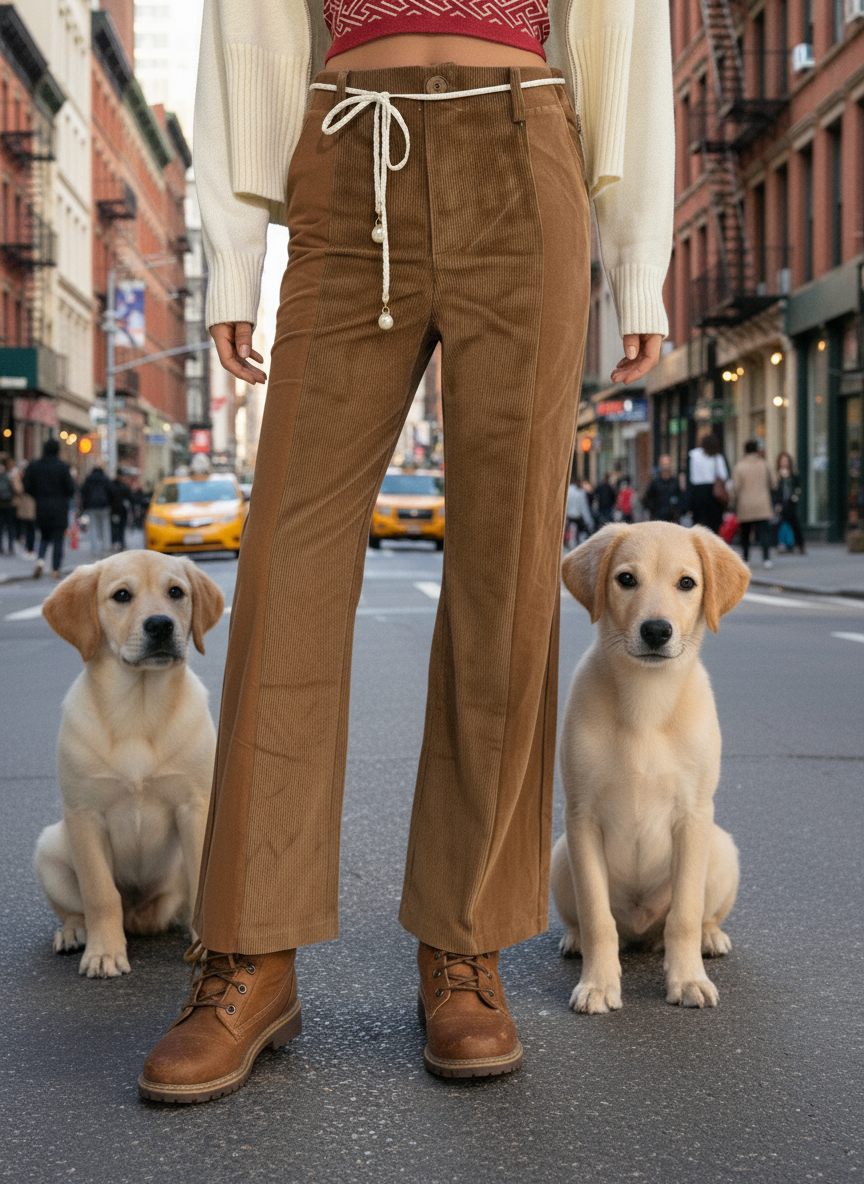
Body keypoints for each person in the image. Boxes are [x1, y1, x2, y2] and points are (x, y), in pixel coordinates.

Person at [138, 0, 675, 1103]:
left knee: (506, 574)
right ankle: (248, 948)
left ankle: (464, 945)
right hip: (349, 149)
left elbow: (621, 20)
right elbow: (248, 22)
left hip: (525, 147)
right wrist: (233, 255)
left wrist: (636, 252)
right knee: (286, 558)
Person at [23, 438, 76, 579]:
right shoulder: (63, 467)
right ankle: (55, 569)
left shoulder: (35, 466)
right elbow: (71, 488)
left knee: (44, 536)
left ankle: (40, 560)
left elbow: (26, 486)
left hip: (41, 506)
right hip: (59, 507)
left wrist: (38, 495)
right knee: (59, 538)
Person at [732, 440, 777, 568]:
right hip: (763, 503)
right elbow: (774, 483)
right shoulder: (765, 465)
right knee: (764, 532)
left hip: (745, 504)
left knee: (745, 534)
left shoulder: (740, 466)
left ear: (745, 451)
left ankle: (746, 559)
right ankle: (767, 559)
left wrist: (732, 501)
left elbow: (735, 487)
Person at [688, 433, 728, 534]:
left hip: (697, 492)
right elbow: (723, 476)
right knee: (713, 525)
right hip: (713, 494)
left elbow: (689, 475)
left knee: (699, 524)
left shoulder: (693, 455)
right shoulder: (717, 457)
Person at [78, 466, 114, 553]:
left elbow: (83, 493)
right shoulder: (105, 479)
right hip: (104, 505)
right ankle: (106, 546)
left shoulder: (88, 479)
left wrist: (84, 506)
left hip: (91, 506)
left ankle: (94, 548)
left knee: (93, 527)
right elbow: (111, 491)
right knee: (105, 526)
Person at [776, 451, 805, 554]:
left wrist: (796, 496)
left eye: (786, 461)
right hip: (781, 503)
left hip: (791, 502)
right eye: (782, 461)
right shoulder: (777, 476)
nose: (784, 463)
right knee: (781, 523)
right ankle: (782, 544)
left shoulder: (793, 475)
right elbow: (776, 490)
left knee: (794, 523)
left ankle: (800, 544)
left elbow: (798, 488)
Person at [643, 454, 684, 523]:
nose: (665, 467)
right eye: (664, 464)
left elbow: (681, 498)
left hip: (672, 520)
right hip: (657, 518)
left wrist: (678, 510)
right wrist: (653, 509)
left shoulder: (675, 482)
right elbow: (647, 499)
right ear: (660, 465)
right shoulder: (654, 482)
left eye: (667, 464)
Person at [564, 477, 593, 547]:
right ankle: (576, 541)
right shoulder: (581, 492)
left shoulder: (570, 490)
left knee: (567, 528)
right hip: (576, 514)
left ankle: (566, 541)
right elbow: (583, 506)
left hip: (570, 514)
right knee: (579, 529)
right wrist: (587, 518)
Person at [109, 473, 132, 551]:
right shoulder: (124, 486)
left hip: (114, 510)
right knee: (121, 527)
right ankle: (121, 542)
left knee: (115, 527)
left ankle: (115, 542)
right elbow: (130, 497)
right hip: (122, 510)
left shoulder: (111, 486)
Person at [0, 455, 16, 554]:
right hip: (9, 503)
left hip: (1, 503)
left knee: (1, 527)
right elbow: (17, 488)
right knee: (10, 526)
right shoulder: (10, 474)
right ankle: (10, 547)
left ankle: (1, 547)